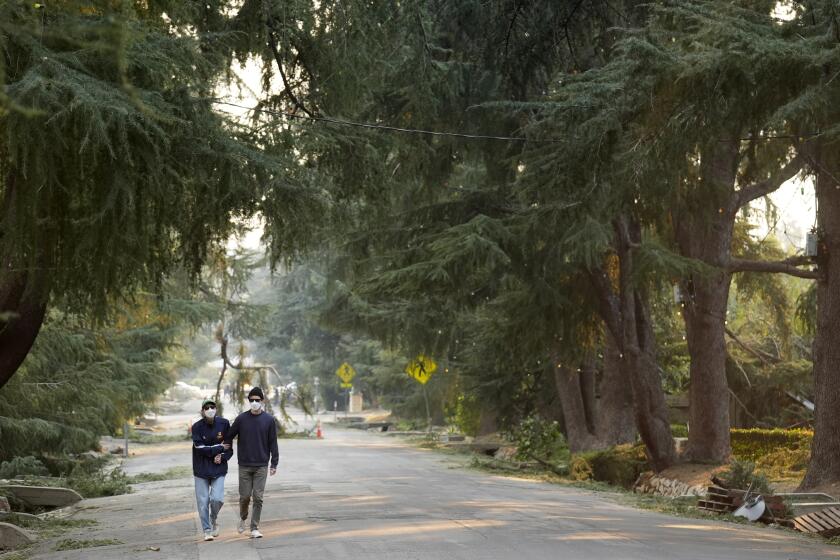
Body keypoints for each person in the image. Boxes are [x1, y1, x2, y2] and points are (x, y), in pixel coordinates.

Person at [224, 387, 278, 539]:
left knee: (258, 497)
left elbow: (273, 442)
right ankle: (242, 518)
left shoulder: (269, 420)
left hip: (261, 465)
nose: (254, 403)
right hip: (245, 465)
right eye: (252, 400)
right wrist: (226, 447)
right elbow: (229, 435)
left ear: (262, 401)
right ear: (249, 401)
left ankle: (254, 527)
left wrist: (274, 463)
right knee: (245, 497)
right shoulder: (241, 419)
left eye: (257, 400)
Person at [191, 398, 233, 541]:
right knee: (203, 502)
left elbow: (229, 448)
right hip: (201, 469)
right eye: (207, 408)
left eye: (212, 407)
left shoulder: (224, 424)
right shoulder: (196, 427)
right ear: (202, 411)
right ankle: (207, 530)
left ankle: (213, 518)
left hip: (218, 468)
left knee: (217, 499)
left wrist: (222, 456)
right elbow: (199, 448)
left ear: (216, 409)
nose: (210, 410)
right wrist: (219, 448)